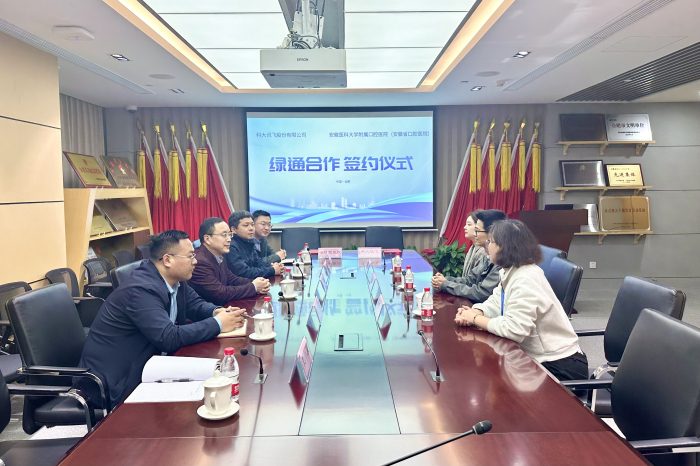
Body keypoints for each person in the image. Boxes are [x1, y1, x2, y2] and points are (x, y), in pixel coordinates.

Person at [77, 230, 246, 409]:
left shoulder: (175, 279)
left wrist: (217, 312)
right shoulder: (141, 290)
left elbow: (195, 304)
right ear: (167, 260)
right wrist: (218, 324)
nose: (195, 261)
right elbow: (168, 337)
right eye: (190, 256)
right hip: (115, 381)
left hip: (150, 364)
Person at [455, 219, 588, 381]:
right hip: (534, 356)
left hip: (559, 364)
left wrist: (475, 319)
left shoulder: (526, 278)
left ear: (505, 247)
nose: (487, 246)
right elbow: (496, 301)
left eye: (490, 242)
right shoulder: (510, 271)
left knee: (490, 379)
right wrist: (476, 311)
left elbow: (514, 329)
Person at [189, 217, 270, 305]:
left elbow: (232, 279)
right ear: (207, 239)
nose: (229, 239)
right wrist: (254, 287)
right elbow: (220, 293)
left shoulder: (219, 256)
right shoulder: (200, 261)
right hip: (210, 311)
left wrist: (258, 282)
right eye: (224, 235)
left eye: (229, 234)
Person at [431, 209, 506, 303]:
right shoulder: (487, 256)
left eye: (477, 230)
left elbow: (481, 293)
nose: (474, 234)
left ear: (491, 233)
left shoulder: (502, 261)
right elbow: (470, 280)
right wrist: (445, 280)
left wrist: (446, 284)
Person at [226, 210, 285, 279]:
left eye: (252, 225)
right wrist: (272, 270)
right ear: (233, 229)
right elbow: (244, 272)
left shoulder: (249, 242)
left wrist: (276, 266)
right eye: (246, 225)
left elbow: (259, 264)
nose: (251, 228)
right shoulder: (231, 247)